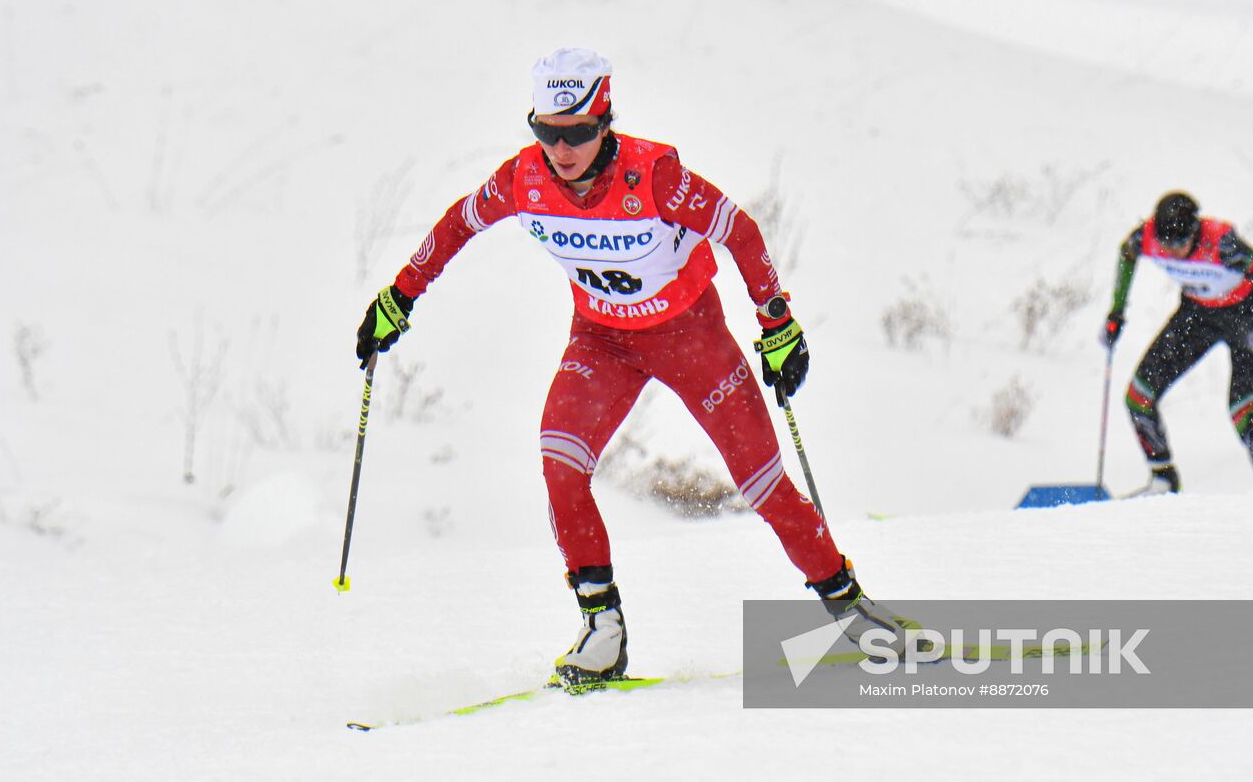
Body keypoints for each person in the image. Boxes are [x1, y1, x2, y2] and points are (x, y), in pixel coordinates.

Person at [356, 47, 902, 685]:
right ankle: (602, 631)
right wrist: (399, 297)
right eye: (547, 133)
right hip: (601, 341)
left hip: (691, 337)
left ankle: (848, 608)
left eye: (579, 133)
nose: (562, 150)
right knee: (560, 463)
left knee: (762, 486)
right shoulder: (522, 179)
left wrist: (777, 322)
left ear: (604, 121)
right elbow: (457, 225)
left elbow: (742, 233)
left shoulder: (656, 178)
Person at [1100, 191, 1253, 494]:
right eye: (1164, 245)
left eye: (1179, 244)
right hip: (1196, 316)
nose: (1170, 252)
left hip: (1244, 318)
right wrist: (1117, 311)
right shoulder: (1147, 237)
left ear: (1194, 233)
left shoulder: (1223, 245)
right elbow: (1126, 253)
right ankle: (1163, 481)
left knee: (1242, 413)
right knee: (1137, 398)